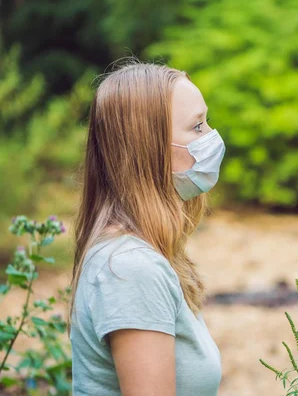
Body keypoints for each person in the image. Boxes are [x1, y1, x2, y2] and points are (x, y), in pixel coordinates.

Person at [67, 58, 225, 395]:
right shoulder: (130, 269)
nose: (212, 138)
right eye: (197, 127)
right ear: (148, 149)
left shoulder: (143, 254)